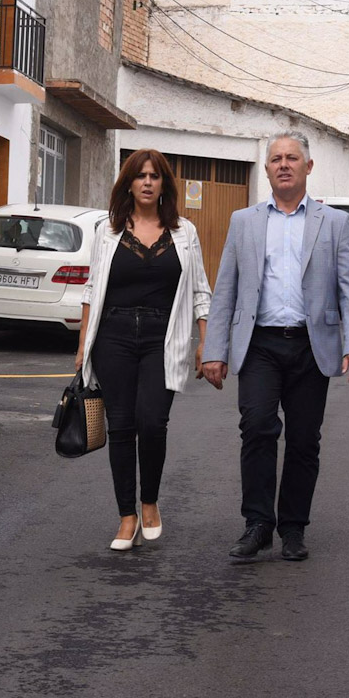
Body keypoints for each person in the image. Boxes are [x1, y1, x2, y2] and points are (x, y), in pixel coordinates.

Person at [201, 130, 349, 563]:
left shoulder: (333, 224)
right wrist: (213, 351)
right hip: (260, 343)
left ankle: (293, 527)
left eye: (292, 158)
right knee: (256, 428)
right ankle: (257, 524)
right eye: (276, 158)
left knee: (304, 440)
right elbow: (226, 290)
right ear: (268, 169)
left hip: (313, 346)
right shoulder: (245, 221)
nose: (284, 164)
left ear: (308, 167)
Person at [76, 148, 212, 551]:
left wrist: (206, 341)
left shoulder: (185, 232)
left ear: (164, 184)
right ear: (129, 183)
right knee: (121, 426)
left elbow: (201, 290)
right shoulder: (108, 230)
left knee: (153, 422)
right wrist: (83, 345)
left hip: (162, 336)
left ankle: (149, 501)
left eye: (155, 176)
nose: (148, 182)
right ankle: (126, 516)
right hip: (113, 335)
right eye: (140, 176)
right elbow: (91, 288)